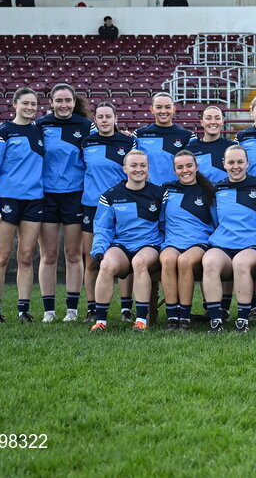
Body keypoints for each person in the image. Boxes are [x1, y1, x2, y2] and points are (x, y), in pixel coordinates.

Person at [0, 87, 45, 324]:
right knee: (2, 256)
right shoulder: (2, 132)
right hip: (7, 200)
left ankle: (23, 310)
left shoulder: (39, 131)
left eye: (33, 104)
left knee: (26, 256)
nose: (29, 107)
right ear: (14, 104)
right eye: (25, 103)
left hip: (34, 200)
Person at [89, 150, 164, 332]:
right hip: (122, 245)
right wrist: (99, 249)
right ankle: (100, 322)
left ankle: (140, 320)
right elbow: (103, 227)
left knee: (139, 262)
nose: (138, 169)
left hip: (149, 245)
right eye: (134, 165)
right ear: (125, 169)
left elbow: (166, 224)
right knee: (106, 265)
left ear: (148, 168)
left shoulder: (160, 193)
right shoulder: (111, 196)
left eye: (143, 165)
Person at [36, 84, 93, 323]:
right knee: (48, 255)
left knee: (72, 254)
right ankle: (49, 310)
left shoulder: (85, 125)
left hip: (74, 196)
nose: (64, 105)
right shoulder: (39, 125)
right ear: (51, 102)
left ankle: (72, 310)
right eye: (59, 100)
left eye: (68, 100)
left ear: (73, 101)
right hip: (47, 196)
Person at [201, 145, 256, 333]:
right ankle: (216, 320)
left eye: (240, 162)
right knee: (209, 262)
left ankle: (242, 320)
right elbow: (216, 219)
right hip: (223, 243)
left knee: (240, 263)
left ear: (248, 163)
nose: (236, 166)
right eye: (231, 162)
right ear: (224, 164)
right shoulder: (217, 188)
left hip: (252, 244)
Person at [81, 102, 135, 324]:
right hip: (92, 206)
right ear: (95, 120)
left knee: (126, 254)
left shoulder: (129, 141)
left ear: (115, 118)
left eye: (108, 116)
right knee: (92, 258)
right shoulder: (86, 142)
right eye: (100, 116)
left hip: (121, 204)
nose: (104, 120)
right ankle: (92, 308)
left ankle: (125, 308)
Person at [159, 150, 217, 332]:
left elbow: (217, 222)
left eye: (189, 166)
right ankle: (172, 317)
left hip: (199, 243)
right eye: (180, 167)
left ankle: (184, 318)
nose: (185, 170)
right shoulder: (166, 190)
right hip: (172, 242)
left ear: (196, 167)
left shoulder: (208, 191)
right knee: (168, 260)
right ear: (175, 170)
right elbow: (159, 219)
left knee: (184, 262)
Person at [133, 93, 196, 185]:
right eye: (158, 107)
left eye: (167, 107)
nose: (163, 111)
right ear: (152, 109)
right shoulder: (139, 134)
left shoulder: (187, 136)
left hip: (176, 191)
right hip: (147, 192)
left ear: (174, 109)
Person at [186, 106, 233, 183]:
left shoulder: (232, 147)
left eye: (217, 118)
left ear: (222, 122)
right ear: (202, 122)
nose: (213, 122)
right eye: (208, 118)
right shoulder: (190, 148)